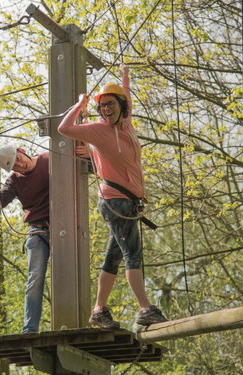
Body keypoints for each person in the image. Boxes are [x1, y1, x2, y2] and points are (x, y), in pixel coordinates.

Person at [58, 63, 168, 328]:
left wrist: (124, 76)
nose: (106, 110)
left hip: (129, 201)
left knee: (114, 256)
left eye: (110, 104)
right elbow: (64, 128)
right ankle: (144, 308)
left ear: (121, 106)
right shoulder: (97, 130)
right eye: (102, 106)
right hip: (115, 201)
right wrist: (80, 106)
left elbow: (127, 93)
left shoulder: (127, 125)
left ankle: (99, 310)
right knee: (132, 253)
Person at [0, 145, 50, 334]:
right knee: (35, 279)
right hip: (37, 231)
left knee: (71, 275)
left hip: (65, 227)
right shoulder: (14, 180)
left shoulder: (49, 160)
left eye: (18, 159)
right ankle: (30, 329)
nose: (21, 165)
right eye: (15, 166)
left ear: (22, 150)